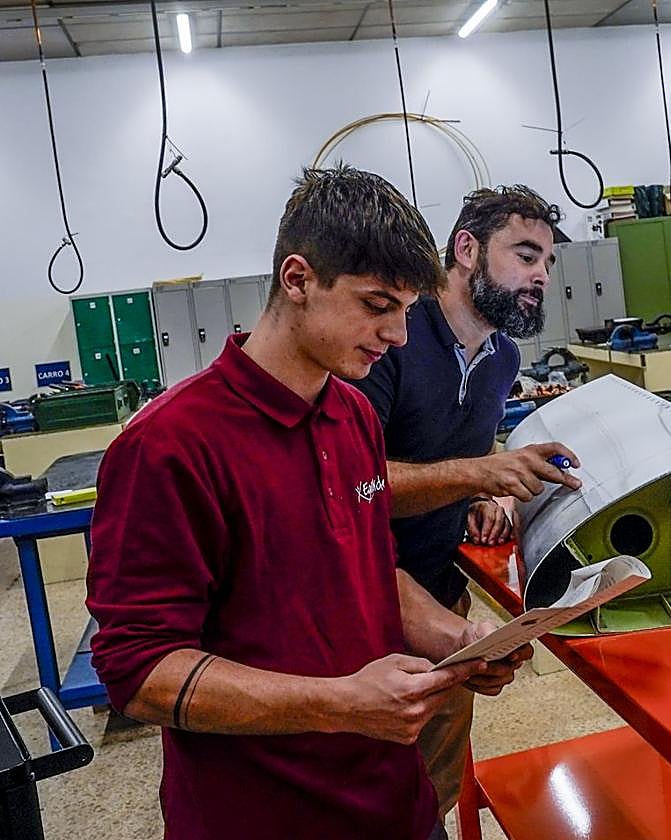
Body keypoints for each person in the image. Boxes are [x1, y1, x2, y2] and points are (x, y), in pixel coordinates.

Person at [86, 165, 530, 840]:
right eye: (378, 305)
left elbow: (371, 576)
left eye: (408, 311)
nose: (399, 336)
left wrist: (461, 640)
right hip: (261, 813)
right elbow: (139, 670)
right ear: (298, 280)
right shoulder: (170, 445)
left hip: (391, 799)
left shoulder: (351, 417)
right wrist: (342, 704)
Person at [348, 184, 581, 824]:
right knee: (367, 795)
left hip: (441, 591)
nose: (540, 275)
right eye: (526, 255)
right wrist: (483, 471)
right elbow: (348, 485)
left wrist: (484, 495)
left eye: (548, 263)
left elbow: (457, 463)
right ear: (467, 249)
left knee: (434, 790)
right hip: (361, 605)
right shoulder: (392, 340)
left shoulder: (502, 357)